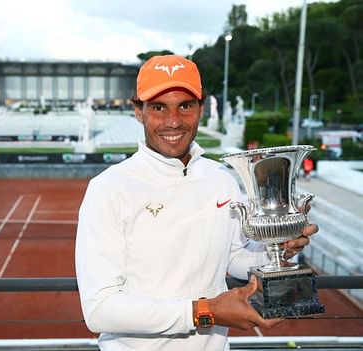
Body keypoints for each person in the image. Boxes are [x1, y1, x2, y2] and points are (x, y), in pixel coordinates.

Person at [75, 55, 319, 351]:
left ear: (201, 108)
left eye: (185, 106)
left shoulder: (220, 176)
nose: (173, 121)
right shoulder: (107, 188)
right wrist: (204, 311)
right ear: (138, 111)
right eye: (158, 107)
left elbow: (235, 258)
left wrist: (277, 248)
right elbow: (100, 309)